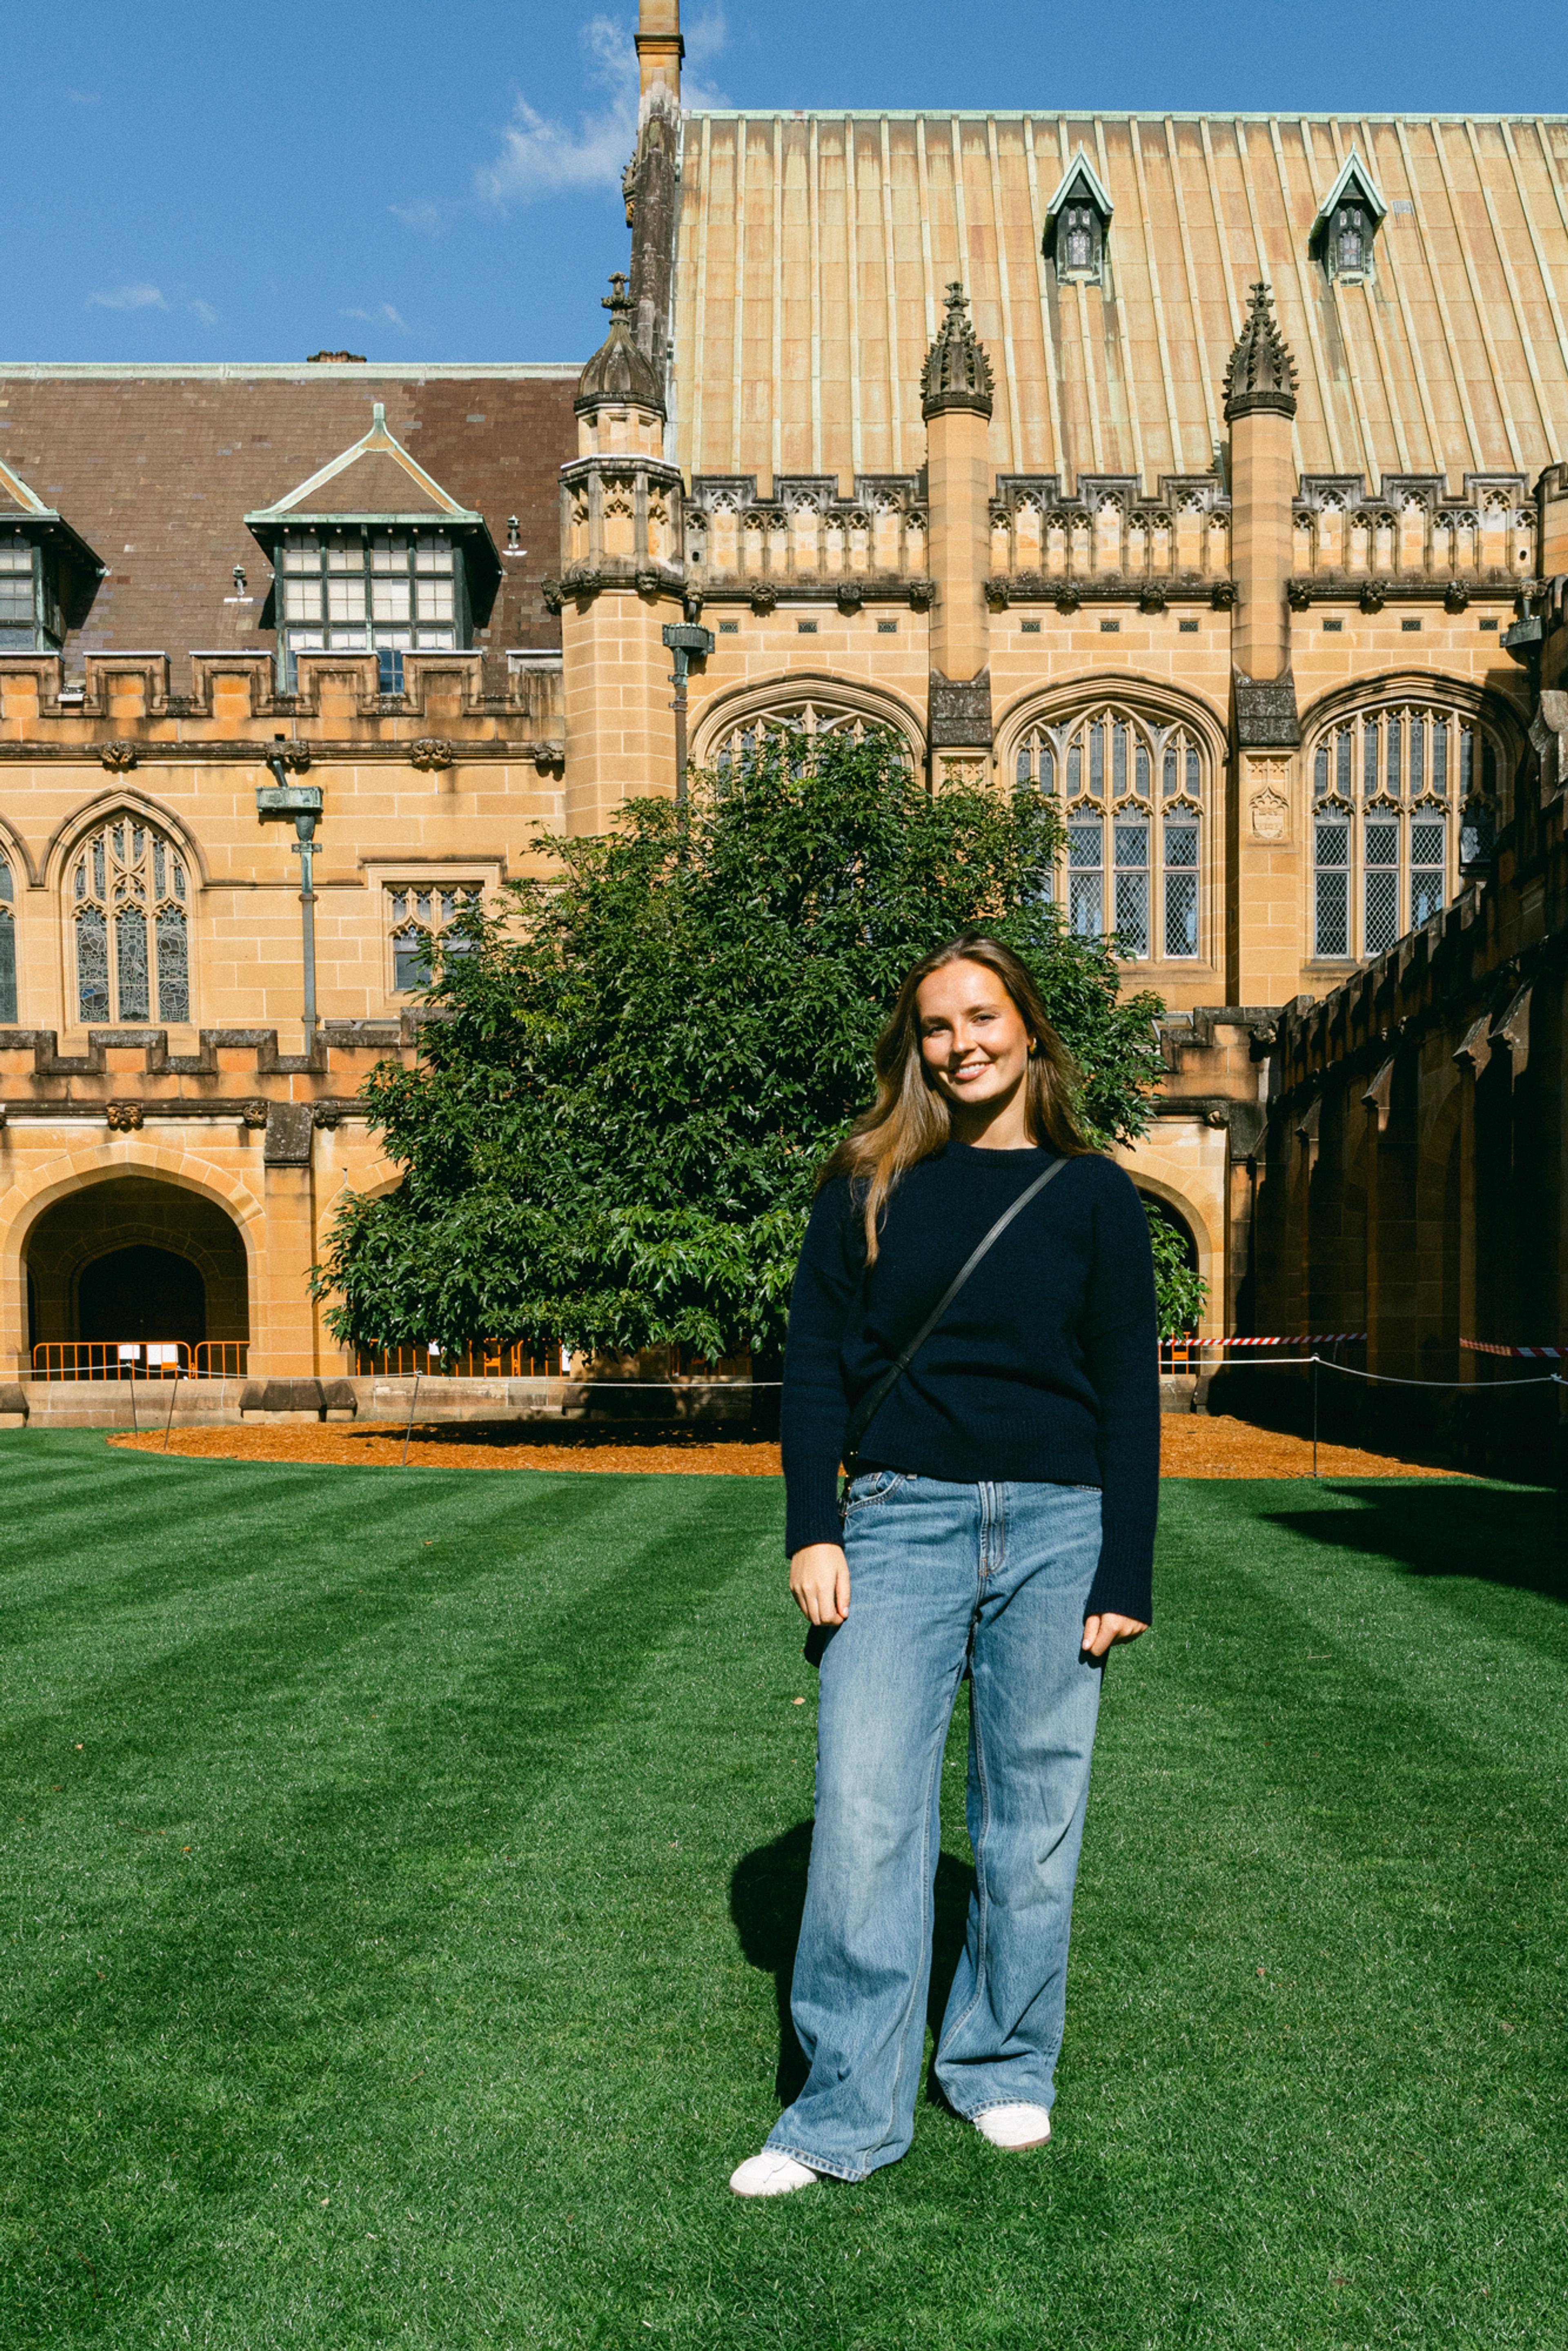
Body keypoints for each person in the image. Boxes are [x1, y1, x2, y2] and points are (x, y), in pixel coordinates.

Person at [730, 932, 1158, 2196]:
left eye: (982, 1017)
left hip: (1059, 1525)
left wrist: (1122, 1570)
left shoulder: (1094, 1196)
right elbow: (814, 1366)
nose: (961, 1043)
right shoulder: (864, 1181)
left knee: (1031, 1820)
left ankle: (1004, 2064)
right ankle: (843, 2114)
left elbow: (1127, 1393)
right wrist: (816, 1523)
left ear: (1028, 1027)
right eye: (936, 1026)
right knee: (864, 1816)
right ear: (913, 1047)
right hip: (900, 1521)